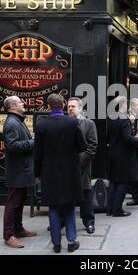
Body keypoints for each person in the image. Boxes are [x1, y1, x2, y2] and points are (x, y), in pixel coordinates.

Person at [34, 93, 87, 253]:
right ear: (62, 106)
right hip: (70, 171)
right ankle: (72, 242)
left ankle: (56, 244)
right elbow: (83, 146)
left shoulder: (42, 124)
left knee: (54, 207)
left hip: (49, 172)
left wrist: (37, 173)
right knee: (69, 206)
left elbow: (38, 153)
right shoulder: (72, 122)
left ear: (48, 107)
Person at [2, 96, 37, 249]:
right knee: (12, 204)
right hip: (17, 171)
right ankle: (8, 236)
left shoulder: (17, 121)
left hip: (22, 170)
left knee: (20, 201)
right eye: (20, 102)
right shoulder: (11, 123)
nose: (23, 103)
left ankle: (18, 229)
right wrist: (33, 142)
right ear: (13, 107)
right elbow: (12, 146)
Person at [67, 97, 98, 234]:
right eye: (68, 106)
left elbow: (93, 145)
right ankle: (63, 221)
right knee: (66, 196)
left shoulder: (88, 123)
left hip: (83, 166)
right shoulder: (64, 123)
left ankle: (89, 222)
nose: (70, 109)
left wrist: (80, 161)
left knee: (86, 195)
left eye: (73, 106)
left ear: (80, 108)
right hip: (66, 166)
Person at [107, 96, 138, 217]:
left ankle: (110, 209)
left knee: (114, 182)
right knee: (123, 182)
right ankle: (117, 210)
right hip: (124, 155)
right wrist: (137, 138)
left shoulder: (112, 117)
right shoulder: (124, 119)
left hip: (113, 153)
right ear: (123, 105)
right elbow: (128, 139)